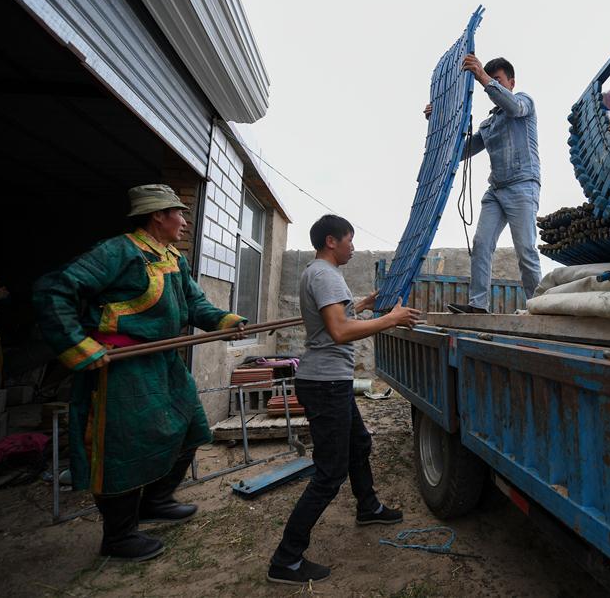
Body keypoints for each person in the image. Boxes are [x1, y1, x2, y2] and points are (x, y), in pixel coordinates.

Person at [33, 184, 247, 561]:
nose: (185, 220)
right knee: (124, 447)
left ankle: (155, 501)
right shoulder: (117, 251)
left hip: (163, 362)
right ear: (158, 216)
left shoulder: (172, 257)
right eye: (178, 213)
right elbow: (54, 290)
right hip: (121, 365)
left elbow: (195, 303)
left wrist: (225, 320)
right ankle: (118, 537)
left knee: (191, 427)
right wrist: (79, 346)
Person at [267, 214, 421, 586]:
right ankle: (285, 560)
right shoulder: (324, 274)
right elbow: (337, 330)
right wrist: (391, 319)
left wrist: (364, 304)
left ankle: (368, 507)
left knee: (359, 444)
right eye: (349, 240)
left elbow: (336, 316)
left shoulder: (319, 273)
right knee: (329, 473)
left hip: (330, 381)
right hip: (325, 384)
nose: (353, 246)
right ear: (331, 241)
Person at [424, 55, 542, 314]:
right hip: (497, 190)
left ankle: (540, 307)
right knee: (481, 244)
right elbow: (462, 151)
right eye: (490, 80)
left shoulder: (524, 102)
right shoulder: (488, 123)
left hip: (523, 185)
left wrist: (483, 78)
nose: (491, 85)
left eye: (498, 79)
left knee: (525, 250)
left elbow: (513, 107)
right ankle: (478, 304)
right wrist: (439, 123)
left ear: (511, 82)